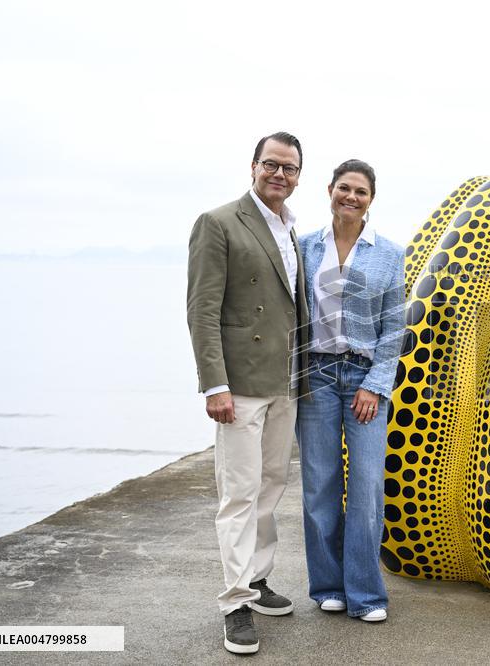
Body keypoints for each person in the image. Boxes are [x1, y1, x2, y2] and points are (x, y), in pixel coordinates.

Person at [186, 132, 311, 654]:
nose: (279, 174)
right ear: (253, 166)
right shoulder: (218, 223)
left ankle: (257, 580)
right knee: (238, 494)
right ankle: (234, 602)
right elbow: (202, 309)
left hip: (286, 380)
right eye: (272, 165)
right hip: (238, 384)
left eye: (290, 168)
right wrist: (215, 384)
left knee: (271, 485)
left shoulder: (291, 228)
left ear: (299, 177)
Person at [297, 159, 406, 622]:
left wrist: (376, 386)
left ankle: (366, 595)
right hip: (316, 378)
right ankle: (327, 586)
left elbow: (394, 325)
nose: (351, 197)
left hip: (364, 380)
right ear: (330, 190)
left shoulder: (390, 253)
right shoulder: (303, 247)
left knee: (365, 488)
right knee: (320, 486)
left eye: (361, 191)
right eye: (345, 188)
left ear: (371, 199)